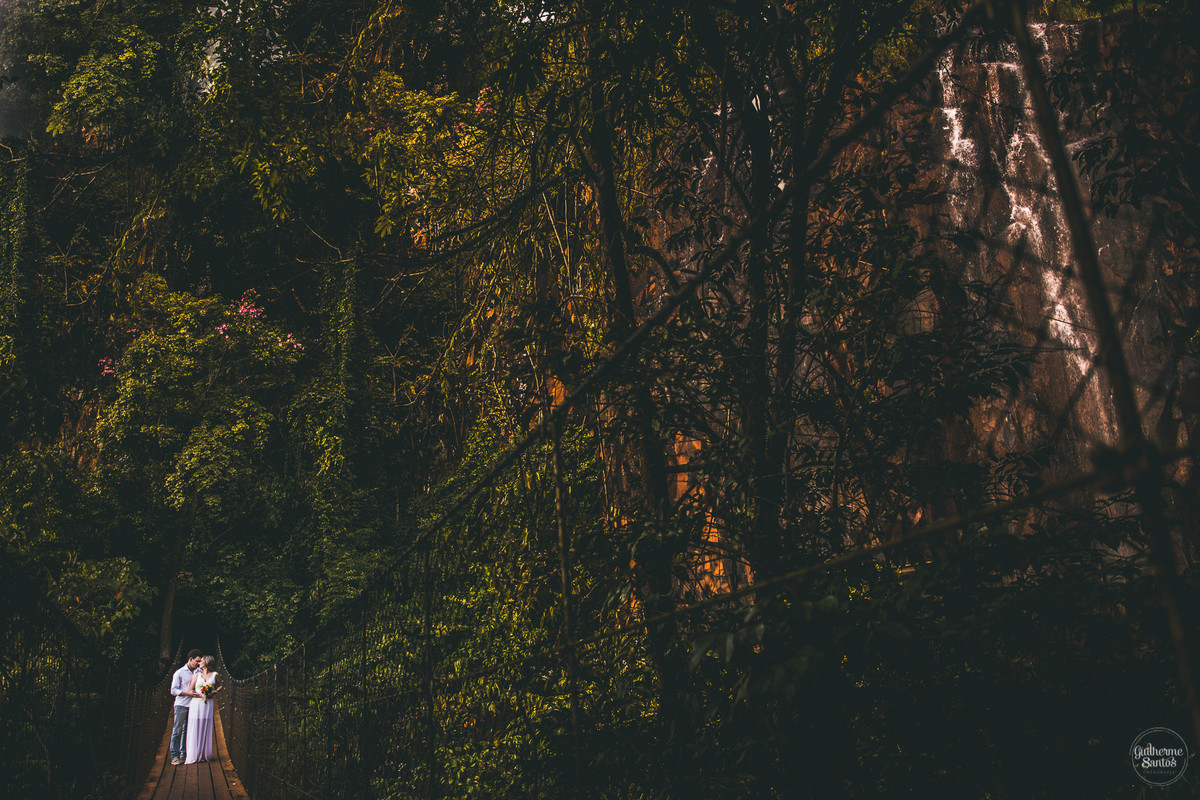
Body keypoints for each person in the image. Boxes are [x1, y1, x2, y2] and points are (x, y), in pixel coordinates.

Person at [184, 655, 223, 764]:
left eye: (202, 661)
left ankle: (202, 754)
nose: (199, 662)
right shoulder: (197, 676)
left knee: (205, 725)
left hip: (208, 704)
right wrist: (201, 695)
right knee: (196, 726)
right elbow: (190, 690)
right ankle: (195, 754)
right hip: (196, 704)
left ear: (207, 662)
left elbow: (220, 686)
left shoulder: (215, 675)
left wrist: (214, 692)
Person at [169, 650, 203, 766]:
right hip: (181, 704)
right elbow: (173, 690)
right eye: (197, 661)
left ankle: (184, 755)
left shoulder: (200, 672)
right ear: (190, 659)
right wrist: (187, 693)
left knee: (187, 730)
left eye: (200, 661)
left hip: (193, 705)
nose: (198, 663)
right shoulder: (179, 673)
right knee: (177, 730)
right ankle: (174, 756)